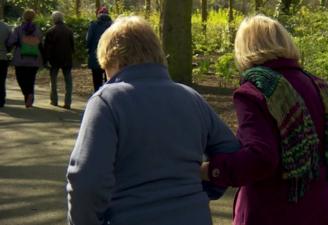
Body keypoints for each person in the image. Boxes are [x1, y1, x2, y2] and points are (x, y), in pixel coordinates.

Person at [66, 16, 239, 225]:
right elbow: (232, 152)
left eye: (106, 70)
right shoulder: (191, 98)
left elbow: (86, 181)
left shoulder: (107, 101)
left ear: (114, 60)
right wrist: (205, 188)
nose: (106, 77)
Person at [201, 15, 328, 225]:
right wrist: (315, 186)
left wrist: (211, 170)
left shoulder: (254, 91)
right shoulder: (319, 87)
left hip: (270, 213)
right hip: (321, 213)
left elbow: (261, 159)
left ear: (244, 49)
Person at [7, 9, 43, 108]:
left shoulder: (18, 28)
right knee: (31, 79)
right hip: (34, 59)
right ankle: (29, 96)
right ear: (34, 17)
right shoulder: (37, 29)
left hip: (20, 59)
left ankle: (27, 94)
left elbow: (11, 41)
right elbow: (40, 40)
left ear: (23, 17)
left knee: (20, 79)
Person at [44, 11, 74, 109]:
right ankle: (68, 102)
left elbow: (47, 48)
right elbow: (72, 46)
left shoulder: (50, 31)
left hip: (54, 59)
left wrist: (46, 59)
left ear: (54, 19)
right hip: (67, 58)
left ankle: (54, 100)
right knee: (68, 81)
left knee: (53, 80)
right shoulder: (69, 30)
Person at [86, 6, 112, 92]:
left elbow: (88, 40)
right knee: (109, 78)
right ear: (108, 14)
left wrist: (88, 50)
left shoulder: (93, 25)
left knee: (97, 80)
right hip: (110, 56)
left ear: (98, 14)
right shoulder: (113, 25)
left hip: (95, 56)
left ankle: (98, 96)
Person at [0, 20, 11, 107]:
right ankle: (1, 100)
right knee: (1, 80)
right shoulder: (6, 27)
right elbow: (10, 43)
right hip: (2, 56)